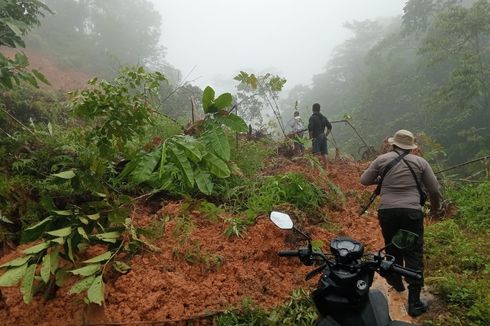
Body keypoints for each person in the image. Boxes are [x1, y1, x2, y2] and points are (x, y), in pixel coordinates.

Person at [360, 129, 442, 317]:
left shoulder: (382, 160)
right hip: (411, 212)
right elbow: (434, 189)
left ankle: (396, 282)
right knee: (413, 252)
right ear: (412, 147)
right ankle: (414, 303)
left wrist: (381, 178)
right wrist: (435, 208)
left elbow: (364, 180)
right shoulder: (421, 162)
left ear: (393, 144)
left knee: (393, 248)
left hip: (387, 212)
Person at [308, 103, 332, 169]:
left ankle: (317, 168)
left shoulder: (312, 118)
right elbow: (329, 127)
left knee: (316, 152)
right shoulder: (324, 117)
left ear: (312, 109)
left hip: (316, 137)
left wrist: (311, 137)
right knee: (324, 153)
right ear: (319, 109)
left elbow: (310, 128)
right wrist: (325, 135)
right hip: (323, 136)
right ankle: (326, 168)